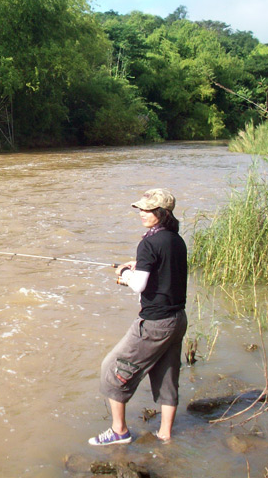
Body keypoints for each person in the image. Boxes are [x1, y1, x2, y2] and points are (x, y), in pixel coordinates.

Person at [88, 188, 188, 446]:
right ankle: (165, 435)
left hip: (155, 323)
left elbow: (139, 286)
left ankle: (119, 431)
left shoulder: (148, 243)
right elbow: (163, 269)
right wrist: (138, 264)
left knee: (111, 369)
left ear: (162, 213)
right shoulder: (176, 240)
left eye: (148, 210)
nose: (142, 213)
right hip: (177, 319)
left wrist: (125, 273)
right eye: (141, 209)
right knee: (167, 376)